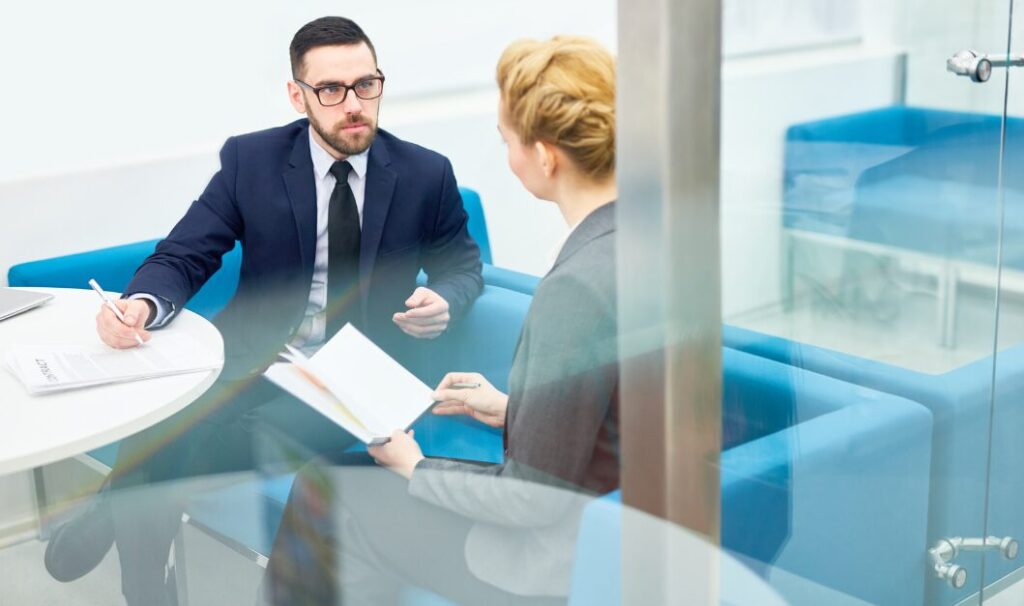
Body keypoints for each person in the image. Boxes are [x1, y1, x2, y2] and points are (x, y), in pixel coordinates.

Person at [43, 16, 483, 606]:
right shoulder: (253, 162)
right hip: (254, 352)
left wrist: (445, 300)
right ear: (297, 95)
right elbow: (186, 253)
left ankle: (107, 512)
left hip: (357, 378)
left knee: (210, 439)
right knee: (165, 421)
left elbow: (464, 267)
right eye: (331, 90)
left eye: (366, 85)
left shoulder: (426, 173)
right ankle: (147, 591)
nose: (353, 104)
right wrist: (142, 305)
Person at [263, 35, 619, 606]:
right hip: (622, 522)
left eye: (507, 140)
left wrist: (417, 466)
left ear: (546, 155)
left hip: (559, 558)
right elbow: (624, 412)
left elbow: (534, 500)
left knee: (328, 487)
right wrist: (513, 407)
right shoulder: (642, 243)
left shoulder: (574, 288)